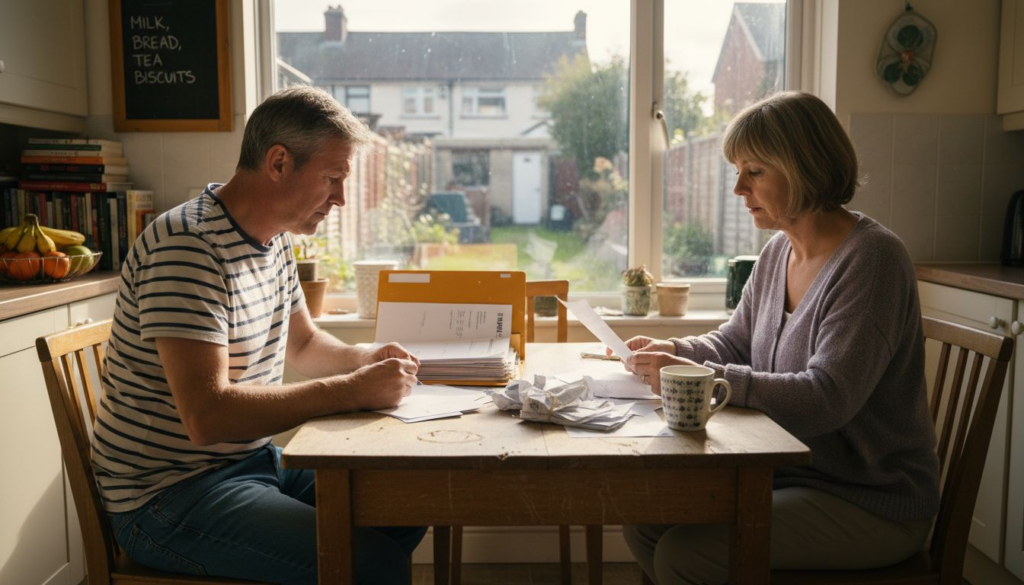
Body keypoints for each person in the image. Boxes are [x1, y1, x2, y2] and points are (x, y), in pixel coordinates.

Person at [91, 86, 426, 584]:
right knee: (372, 564)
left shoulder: (271, 242)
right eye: (333, 178)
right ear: (278, 163)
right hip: (168, 498)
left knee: (403, 501)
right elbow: (206, 416)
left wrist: (362, 357)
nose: (340, 198)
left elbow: (305, 345)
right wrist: (351, 392)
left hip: (251, 463)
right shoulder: (188, 246)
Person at [620, 91, 939, 584]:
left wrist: (705, 379)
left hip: (868, 498)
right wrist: (676, 352)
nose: (738, 190)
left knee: (686, 554)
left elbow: (826, 398)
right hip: (788, 476)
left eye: (755, 172)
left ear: (805, 168)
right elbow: (734, 342)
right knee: (645, 523)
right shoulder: (776, 254)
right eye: (738, 171)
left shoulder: (872, 260)